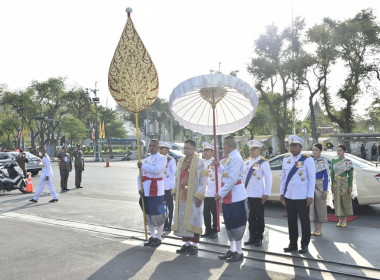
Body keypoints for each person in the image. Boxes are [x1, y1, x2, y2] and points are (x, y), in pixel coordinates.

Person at [280, 135, 315, 254]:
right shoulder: (286, 159)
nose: (292, 148)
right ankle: (292, 244)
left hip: (302, 196)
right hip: (289, 196)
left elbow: (311, 178)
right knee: (291, 221)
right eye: (291, 145)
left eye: (295, 146)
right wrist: (282, 193)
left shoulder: (307, 159)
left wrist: (310, 195)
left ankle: (304, 245)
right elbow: (283, 179)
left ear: (300, 147)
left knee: (304, 221)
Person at [215, 136, 247, 262]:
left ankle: (239, 251)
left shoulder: (236, 158)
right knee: (229, 223)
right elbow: (226, 174)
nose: (223, 148)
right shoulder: (230, 158)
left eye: (224, 145)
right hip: (229, 195)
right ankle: (232, 249)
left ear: (230, 146)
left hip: (235, 196)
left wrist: (220, 194)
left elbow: (232, 179)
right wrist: (219, 166)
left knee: (236, 223)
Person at [172, 140, 207, 255]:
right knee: (182, 221)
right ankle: (186, 245)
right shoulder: (181, 161)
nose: (185, 150)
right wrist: (174, 191)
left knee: (194, 222)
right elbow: (176, 177)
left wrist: (199, 196)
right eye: (184, 148)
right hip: (181, 196)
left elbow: (204, 181)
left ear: (194, 149)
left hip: (193, 197)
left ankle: (195, 245)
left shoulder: (200, 162)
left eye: (188, 148)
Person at [138, 139, 167, 247]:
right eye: (150, 145)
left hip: (157, 192)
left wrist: (142, 166)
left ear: (158, 147)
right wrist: (139, 188)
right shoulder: (145, 160)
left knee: (158, 215)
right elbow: (139, 176)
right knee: (148, 215)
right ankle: (152, 236)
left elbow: (156, 170)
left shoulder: (162, 158)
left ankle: (159, 237)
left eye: (154, 146)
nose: (151, 147)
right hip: (145, 191)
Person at [244, 140, 272, 247]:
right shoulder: (246, 162)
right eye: (250, 149)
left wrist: (266, 193)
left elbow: (268, 179)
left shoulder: (263, 162)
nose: (251, 151)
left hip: (258, 194)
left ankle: (259, 237)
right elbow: (242, 178)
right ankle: (252, 237)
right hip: (248, 194)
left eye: (254, 149)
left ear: (259, 151)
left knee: (259, 217)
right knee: (250, 217)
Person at [331, 144, 354, 227]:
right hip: (336, 182)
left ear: (344, 151)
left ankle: (345, 220)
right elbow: (332, 173)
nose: (339, 152)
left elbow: (351, 175)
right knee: (337, 201)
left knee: (345, 201)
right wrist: (332, 184)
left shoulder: (347, 161)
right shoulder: (334, 160)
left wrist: (350, 186)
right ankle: (339, 220)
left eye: (341, 150)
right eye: (338, 150)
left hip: (344, 182)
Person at [201, 142, 220, 239]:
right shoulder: (202, 163)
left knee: (215, 213)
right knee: (205, 212)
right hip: (204, 192)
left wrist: (219, 192)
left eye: (207, 151)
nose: (205, 153)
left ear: (212, 152)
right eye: (204, 151)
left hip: (213, 192)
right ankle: (207, 229)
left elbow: (221, 176)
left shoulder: (216, 162)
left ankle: (214, 230)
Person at [309, 143, 329, 236]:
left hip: (320, 184)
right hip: (310, 184)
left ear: (320, 151)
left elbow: (326, 176)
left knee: (320, 206)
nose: (314, 152)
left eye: (316, 150)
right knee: (312, 207)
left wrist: (325, 190)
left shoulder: (324, 161)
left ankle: (319, 229)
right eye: (313, 150)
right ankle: (314, 228)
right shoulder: (309, 161)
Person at [159, 141, 176, 232]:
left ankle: (170, 223)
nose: (161, 150)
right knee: (161, 207)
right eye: (160, 148)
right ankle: (164, 222)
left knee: (169, 207)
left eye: (163, 149)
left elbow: (174, 174)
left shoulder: (170, 159)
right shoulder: (158, 159)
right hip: (160, 187)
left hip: (168, 187)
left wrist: (173, 187)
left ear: (167, 150)